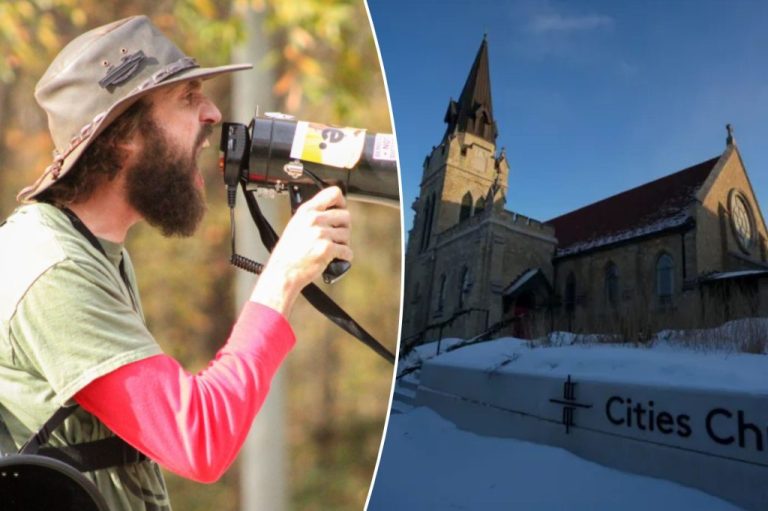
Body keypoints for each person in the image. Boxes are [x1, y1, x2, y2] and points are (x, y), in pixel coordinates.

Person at [0, 15, 352, 510]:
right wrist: (283, 279)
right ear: (123, 134)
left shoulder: (93, 250)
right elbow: (198, 440)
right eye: (187, 98)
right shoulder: (51, 268)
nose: (212, 114)